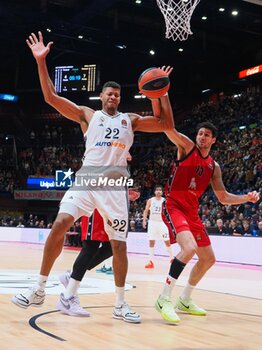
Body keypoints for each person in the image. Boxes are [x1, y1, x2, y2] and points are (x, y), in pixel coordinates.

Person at [12, 31, 174, 324]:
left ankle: (120, 304)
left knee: (118, 245)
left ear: (121, 99)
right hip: (87, 178)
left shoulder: (131, 120)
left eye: (117, 95)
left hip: (114, 185)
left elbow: (165, 123)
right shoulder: (87, 115)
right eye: (109, 94)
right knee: (60, 224)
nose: (113, 97)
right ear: (102, 97)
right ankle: (38, 288)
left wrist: (160, 93)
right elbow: (50, 97)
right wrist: (40, 61)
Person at [154, 119, 260, 323]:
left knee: (208, 259)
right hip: (174, 206)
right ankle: (163, 298)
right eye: (200, 133)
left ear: (213, 140)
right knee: (189, 248)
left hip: (192, 212)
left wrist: (246, 197)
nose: (202, 137)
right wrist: (160, 96)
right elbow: (168, 128)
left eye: (206, 135)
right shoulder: (186, 147)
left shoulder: (214, 167)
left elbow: (223, 197)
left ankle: (184, 300)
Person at [58, 188, 140, 317]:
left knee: (110, 247)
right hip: (96, 200)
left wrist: (122, 192)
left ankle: (72, 276)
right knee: (91, 245)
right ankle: (67, 297)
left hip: (110, 205)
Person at [143, 186, 173, 268]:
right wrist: (144, 220)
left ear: (162, 192)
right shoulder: (150, 200)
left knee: (167, 241)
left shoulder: (165, 201)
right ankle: (150, 262)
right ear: (154, 192)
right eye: (157, 190)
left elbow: (170, 211)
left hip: (162, 223)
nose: (158, 191)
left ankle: (172, 259)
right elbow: (145, 211)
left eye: (160, 190)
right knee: (151, 242)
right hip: (152, 223)